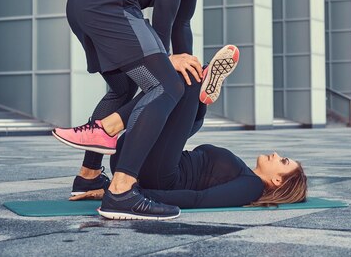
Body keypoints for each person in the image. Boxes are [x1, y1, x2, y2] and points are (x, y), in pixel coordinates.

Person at [53, 0, 278, 220]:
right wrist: (165, 57)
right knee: (165, 84)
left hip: (87, 0)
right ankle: (120, 192)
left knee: (123, 89)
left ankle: (88, 175)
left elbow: (181, 22)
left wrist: (193, 74)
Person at [63, 56, 307, 220]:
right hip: (138, 160)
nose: (277, 154)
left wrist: (134, 192)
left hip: (157, 176)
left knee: (185, 80)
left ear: (277, 181)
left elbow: (199, 199)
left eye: (283, 161)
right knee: (181, 81)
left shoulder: (250, 187)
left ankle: (109, 126)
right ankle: (200, 101)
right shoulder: (242, 172)